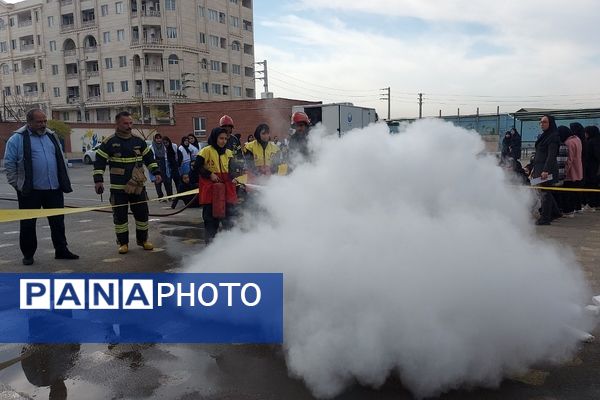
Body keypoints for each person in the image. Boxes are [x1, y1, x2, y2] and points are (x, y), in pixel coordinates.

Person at [4, 109, 79, 265]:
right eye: (39, 122)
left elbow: (60, 159)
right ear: (29, 122)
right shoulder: (17, 139)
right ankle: (28, 254)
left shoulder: (51, 136)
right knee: (28, 224)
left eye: (44, 121)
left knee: (58, 222)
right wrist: (18, 185)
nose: (43, 124)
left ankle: (61, 250)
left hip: (54, 188)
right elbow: (9, 165)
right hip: (30, 190)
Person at [93, 111, 162, 254]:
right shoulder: (109, 142)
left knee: (142, 215)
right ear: (117, 124)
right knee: (120, 217)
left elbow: (149, 159)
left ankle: (143, 240)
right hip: (118, 189)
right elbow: (99, 162)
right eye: (126, 123)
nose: (129, 126)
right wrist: (98, 181)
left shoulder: (139, 141)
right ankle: (123, 243)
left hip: (137, 187)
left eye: (131, 123)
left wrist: (156, 173)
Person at [194, 127, 238, 243]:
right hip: (210, 193)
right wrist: (210, 174)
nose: (223, 141)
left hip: (227, 192)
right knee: (211, 223)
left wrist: (234, 178)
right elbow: (196, 167)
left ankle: (229, 247)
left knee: (229, 221)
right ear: (215, 138)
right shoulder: (205, 151)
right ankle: (210, 249)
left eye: (225, 138)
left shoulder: (229, 153)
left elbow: (232, 170)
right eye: (221, 138)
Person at [530, 115, 561, 225]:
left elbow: (551, 156)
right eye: (541, 122)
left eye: (544, 122)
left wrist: (546, 170)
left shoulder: (553, 137)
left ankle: (545, 218)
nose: (541, 124)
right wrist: (530, 167)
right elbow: (538, 154)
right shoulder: (544, 136)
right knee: (544, 192)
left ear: (550, 123)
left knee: (545, 194)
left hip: (546, 171)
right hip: (539, 170)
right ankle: (556, 212)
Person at [558, 125, 583, 216]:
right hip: (579, 169)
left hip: (571, 172)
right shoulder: (577, 139)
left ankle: (569, 211)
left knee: (568, 193)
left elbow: (569, 159)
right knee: (576, 191)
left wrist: (564, 172)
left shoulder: (568, 143)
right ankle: (578, 208)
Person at [150, 133, 173, 201]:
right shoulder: (151, 147)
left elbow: (166, 156)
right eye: (157, 138)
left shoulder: (164, 146)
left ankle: (170, 196)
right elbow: (151, 157)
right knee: (158, 182)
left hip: (164, 164)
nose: (159, 140)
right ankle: (160, 197)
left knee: (167, 182)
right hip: (156, 164)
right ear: (155, 139)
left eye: (160, 138)